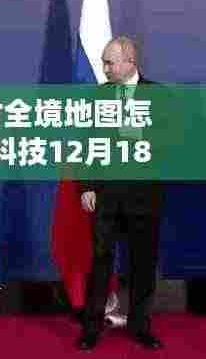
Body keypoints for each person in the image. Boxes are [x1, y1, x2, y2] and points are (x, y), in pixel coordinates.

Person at [77, 36, 163, 351]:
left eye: (110, 62)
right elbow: (86, 142)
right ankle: (91, 328)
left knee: (143, 264)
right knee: (100, 262)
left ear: (130, 62)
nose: (105, 68)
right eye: (103, 62)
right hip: (106, 195)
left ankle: (141, 327)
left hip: (144, 197)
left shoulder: (159, 95)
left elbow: (174, 140)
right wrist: (86, 186)